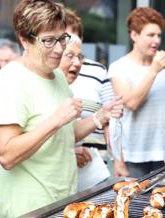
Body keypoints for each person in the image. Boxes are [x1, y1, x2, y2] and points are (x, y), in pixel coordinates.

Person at [0, 0, 123, 217]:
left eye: (61, 38)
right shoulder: (10, 82)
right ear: (24, 39)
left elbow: (64, 134)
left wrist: (99, 116)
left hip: (59, 197)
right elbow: (7, 155)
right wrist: (56, 119)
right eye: (48, 41)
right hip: (27, 203)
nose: (59, 49)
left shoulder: (56, 75)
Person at [108, 7, 165, 178]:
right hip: (133, 156)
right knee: (134, 204)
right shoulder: (119, 68)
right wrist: (154, 70)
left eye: (159, 35)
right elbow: (132, 104)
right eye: (150, 35)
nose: (156, 40)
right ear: (134, 35)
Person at [64, 9, 123, 185]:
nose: (68, 43)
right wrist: (68, 152)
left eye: (74, 37)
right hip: (60, 164)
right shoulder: (48, 76)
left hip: (94, 163)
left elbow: (110, 117)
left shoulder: (97, 70)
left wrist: (118, 161)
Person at [58, 33, 114, 191]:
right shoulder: (41, 89)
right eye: (69, 56)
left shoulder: (65, 90)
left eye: (80, 56)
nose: (77, 63)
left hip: (80, 177)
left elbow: (67, 134)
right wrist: (69, 154)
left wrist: (102, 116)